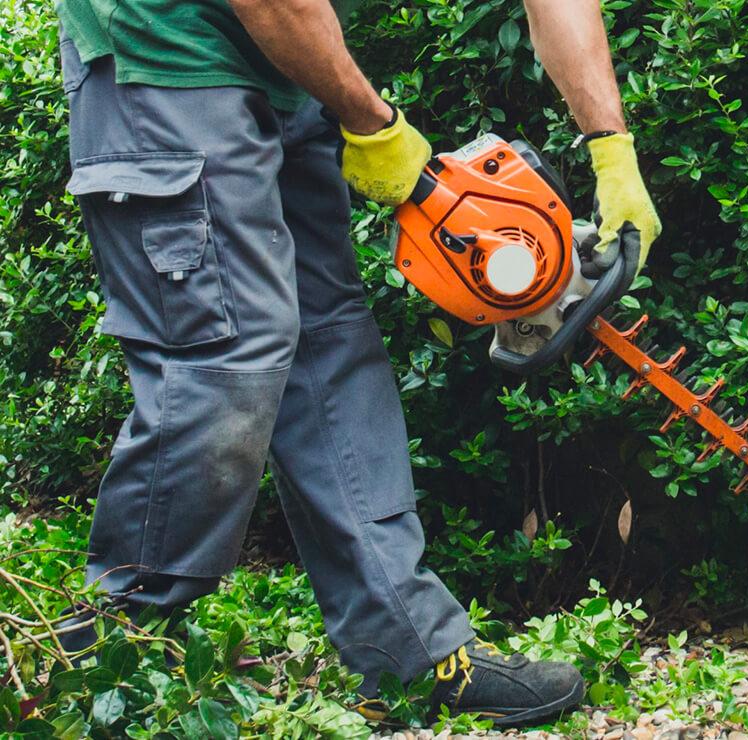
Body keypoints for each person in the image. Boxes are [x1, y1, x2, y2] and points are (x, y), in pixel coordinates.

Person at [55, 0, 660, 726]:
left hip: (286, 65)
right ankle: (104, 655)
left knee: (329, 343)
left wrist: (611, 149)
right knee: (229, 351)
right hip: (164, 51)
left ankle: (410, 652)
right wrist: (374, 122)